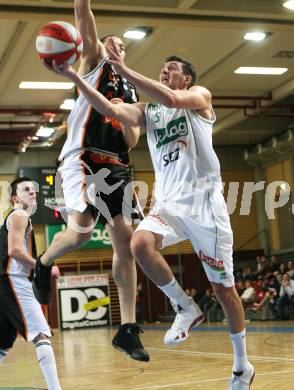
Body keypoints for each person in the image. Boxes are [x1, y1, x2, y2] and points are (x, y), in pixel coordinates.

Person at [42, 47, 255, 389]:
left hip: (204, 205)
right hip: (169, 204)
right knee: (138, 243)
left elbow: (172, 98)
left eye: (172, 68)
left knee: (223, 290)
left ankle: (242, 365)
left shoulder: (199, 97)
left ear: (187, 77)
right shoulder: (148, 111)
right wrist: (72, 76)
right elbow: (109, 108)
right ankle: (185, 307)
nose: (165, 71)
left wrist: (122, 68)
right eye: (163, 67)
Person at [32, 0, 149, 363]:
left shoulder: (131, 90)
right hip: (83, 156)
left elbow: (131, 142)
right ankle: (44, 261)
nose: (119, 47)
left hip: (117, 165)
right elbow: (84, 16)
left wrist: (126, 120)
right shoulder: (93, 61)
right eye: (113, 42)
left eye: (124, 47)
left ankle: (127, 329)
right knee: (81, 233)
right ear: (100, 44)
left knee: (127, 245)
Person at [0, 178, 61, 390]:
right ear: (14, 198)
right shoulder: (19, 214)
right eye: (26, 189)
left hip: (5, 282)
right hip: (12, 280)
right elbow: (14, 251)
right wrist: (42, 266)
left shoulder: (14, 217)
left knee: (3, 343)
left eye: (33, 189)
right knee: (41, 334)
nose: (32, 192)